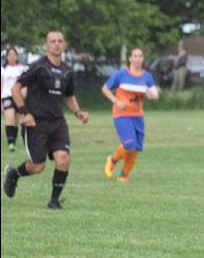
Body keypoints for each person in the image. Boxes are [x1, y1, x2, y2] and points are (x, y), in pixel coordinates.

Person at [3, 31, 90, 209]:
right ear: (46, 45)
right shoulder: (37, 67)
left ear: (64, 45)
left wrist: (78, 112)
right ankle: (14, 174)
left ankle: (54, 201)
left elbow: (70, 96)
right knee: (37, 166)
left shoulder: (67, 71)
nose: (56, 44)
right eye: (52, 41)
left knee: (63, 158)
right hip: (36, 122)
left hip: (57, 122)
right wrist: (25, 113)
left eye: (59, 41)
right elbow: (16, 89)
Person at [101, 47, 159, 182]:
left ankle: (124, 176)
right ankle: (113, 159)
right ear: (130, 59)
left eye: (140, 56)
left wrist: (152, 96)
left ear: (143, 59)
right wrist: (115, 101)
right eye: (135, 56)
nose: (138, 59)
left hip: (138, 116)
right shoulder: (122, 74)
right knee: (129, 145)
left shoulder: (147, 77)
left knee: (136, 148)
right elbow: (105, 88)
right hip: (121, 115)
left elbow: (155, 94)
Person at [2, 46, 27, 152]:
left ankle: (13, 142)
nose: (12, 56)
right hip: (6, 96)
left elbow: (26, 83)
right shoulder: (3, 70)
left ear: (17, 56)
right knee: (10, 118)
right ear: (7, 57)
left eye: (14, 54)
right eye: (10, 54)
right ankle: (10, 145)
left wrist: (24, 93)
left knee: (16, 121)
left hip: (18, 97)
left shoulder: (22, 69)